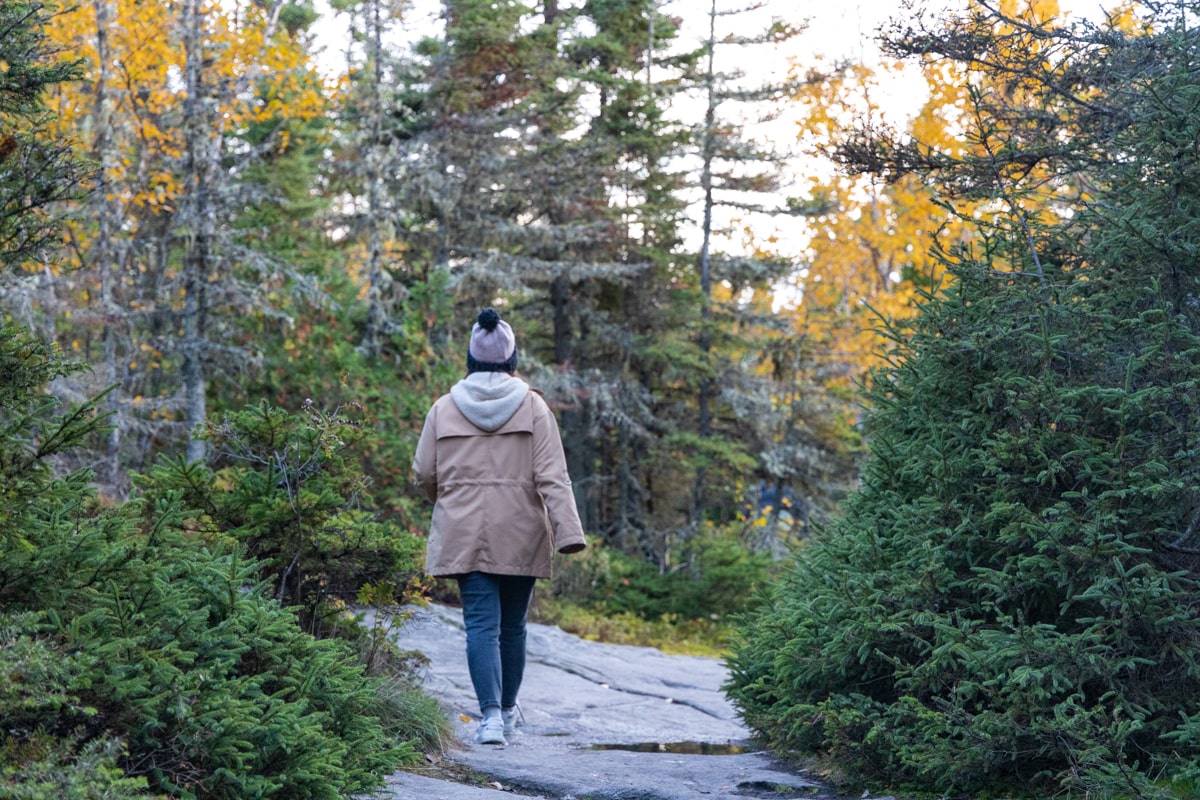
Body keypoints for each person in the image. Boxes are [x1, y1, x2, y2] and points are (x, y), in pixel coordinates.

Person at [412, 307, 586, 746]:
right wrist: (569, 534)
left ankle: (488, 719)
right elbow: (552, 477)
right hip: (521, 531)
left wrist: (449, 503)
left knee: (480, 626)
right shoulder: (534, 406)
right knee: (513, 627)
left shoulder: (443, 408)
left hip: (463, 531)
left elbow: (423, 473)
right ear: (512, 361)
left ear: (470, 359)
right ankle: (507, 712)